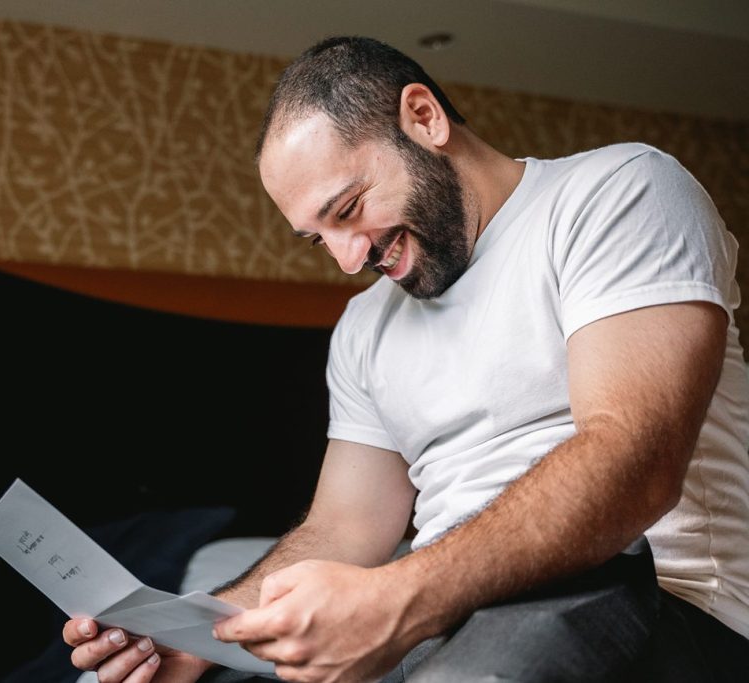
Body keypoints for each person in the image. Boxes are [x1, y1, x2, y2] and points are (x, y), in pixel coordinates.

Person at [62, 36, 749, 682]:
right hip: (445, 626)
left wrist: (396, 597)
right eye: (318, 239)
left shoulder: (616, 193)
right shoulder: (367, 325)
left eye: (350, 208)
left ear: (423, 117)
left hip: (662, 605)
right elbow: (344, 527)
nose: (348, 257)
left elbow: (637, 460)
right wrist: (195, 635)